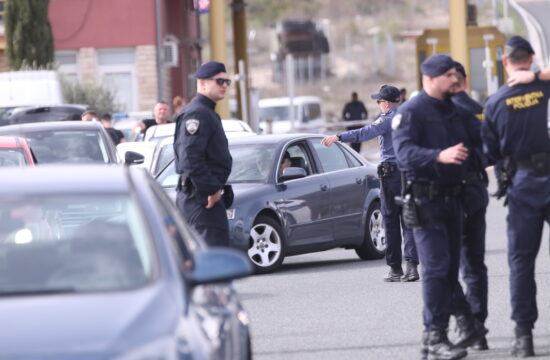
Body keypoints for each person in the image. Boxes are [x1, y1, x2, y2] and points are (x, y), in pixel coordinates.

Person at [392, 54, 487, 360]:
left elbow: (483, 142)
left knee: (446, 268)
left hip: (455, 199)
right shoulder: (410, 112)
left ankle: (454, 327)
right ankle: (437, 335)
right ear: (429, 79)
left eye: (455, 74)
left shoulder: (456, 109)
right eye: (448, 75)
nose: (454, 79)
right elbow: (404, 154)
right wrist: (438, 156)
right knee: (434, 269)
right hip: (424, 200)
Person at [481, 35, 550, 357]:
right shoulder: (545, 87)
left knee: (521, 262)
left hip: (523, 184)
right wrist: (538, 78)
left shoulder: (495, 103)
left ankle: (523, 337)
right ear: (532, 58)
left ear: (505, 62)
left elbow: (491, 153)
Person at [322, 84, 419, 282]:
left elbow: (364, 133)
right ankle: (412, 266)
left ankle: (395, 268)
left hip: (391, 175)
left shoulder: (388, 118)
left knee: (390, 220)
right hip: (408, 172)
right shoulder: (409, 116)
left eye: (380, 101)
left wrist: (339, 136)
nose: (378, 104)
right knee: (408, 220)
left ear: (387, 103)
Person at [449, 60, 490, 351]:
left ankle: (467, 323)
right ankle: (478, 327)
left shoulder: (440, 112)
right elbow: (492, 152)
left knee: (442, 267)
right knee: (474, 264)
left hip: (450, 194)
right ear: (464, 82)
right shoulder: (478, 109)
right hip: (476, 190)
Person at [173, 61, 233, 247]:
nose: (224, 85)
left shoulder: (206, 112)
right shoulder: (197, 114)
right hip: (201, 200)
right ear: (202, 82)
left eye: (226, 81)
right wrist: (211, 189)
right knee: (210, 260)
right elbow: (190, 158)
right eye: (219, 81)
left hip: (204, 199)